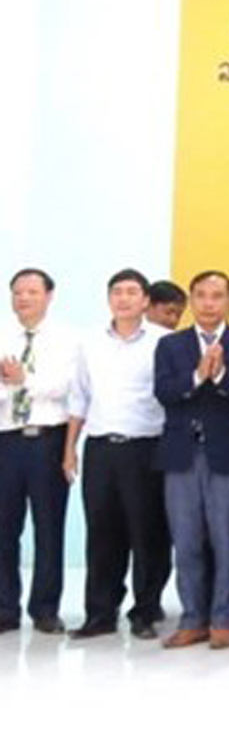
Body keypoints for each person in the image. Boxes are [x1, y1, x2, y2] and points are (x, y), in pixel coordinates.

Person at [153, 270, 229, 650]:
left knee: (227, 538)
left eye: (217, 296)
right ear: (191, 301)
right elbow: (165, 392)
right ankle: (192, 618)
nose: (209, 303)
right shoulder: (170, 346)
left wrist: (221, 375)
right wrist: (197, 375)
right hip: (181, 454)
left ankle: (224, 619)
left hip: (225, 455)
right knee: (186, 541)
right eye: (201, 295)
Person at [67, 268, 171, 641]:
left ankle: (145, 610)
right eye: (117, 292)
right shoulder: (89, 342)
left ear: (146, 301)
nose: (124, 298)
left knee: (149, 533)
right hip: (100, 449)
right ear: (109, 298)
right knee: (103, 532)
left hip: (146, 447)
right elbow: (79, 397)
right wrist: (69, 451)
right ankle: (100, 612)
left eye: (132, 292)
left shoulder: (164, 341)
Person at [0, 268, 80, 636]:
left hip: (47, 439)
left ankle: (46, 608)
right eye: (17, 293)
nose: (23, 299)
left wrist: (23, 381)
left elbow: (64, 387)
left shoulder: (67, 340)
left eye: (32, 291)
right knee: (4, 530)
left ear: (49, 295)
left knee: (49, 527)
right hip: (6, 439)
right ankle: (5, 608)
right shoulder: (3, 335)